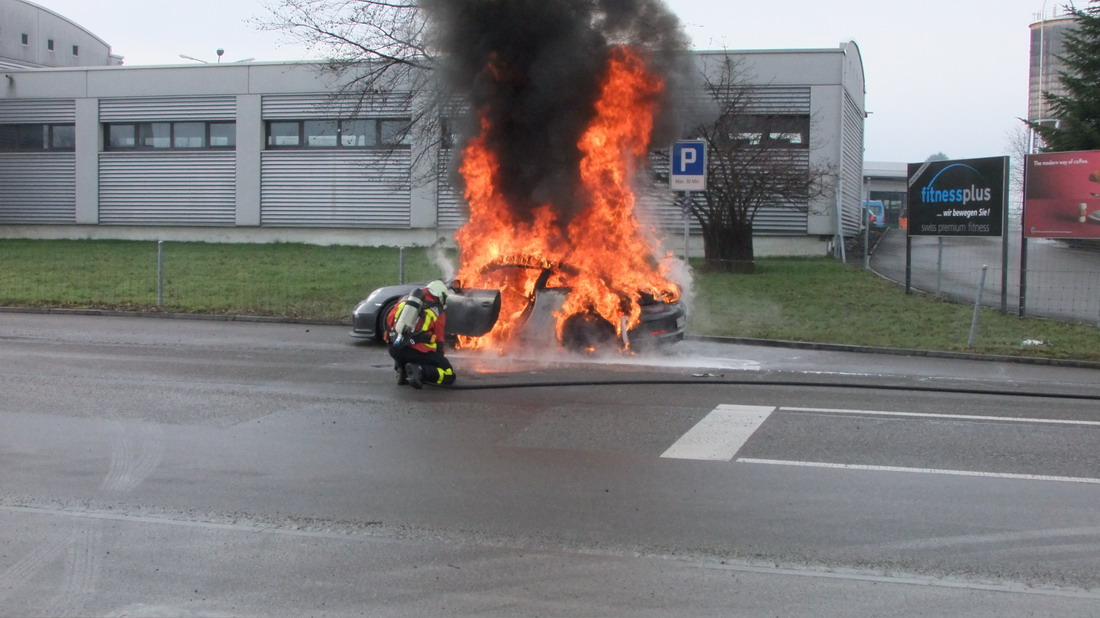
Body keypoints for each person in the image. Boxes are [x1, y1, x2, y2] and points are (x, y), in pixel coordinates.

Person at [384, 279, 456, 389]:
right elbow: (439, 339)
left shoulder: (405, 300)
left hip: (394, 348)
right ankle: (419, 371)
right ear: (440, 295)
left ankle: (401, 371)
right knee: (449, 374)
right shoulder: (437, 310)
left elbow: (389, 320)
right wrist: (439, 358)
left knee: (402, 345)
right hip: (418, 351)